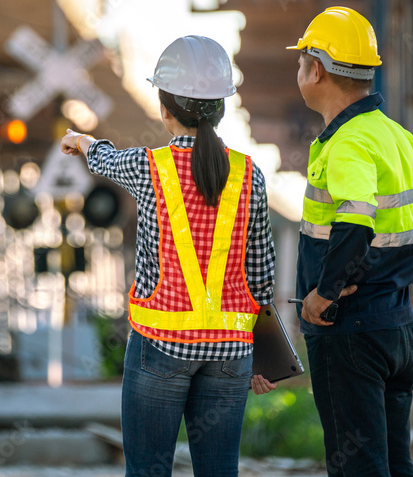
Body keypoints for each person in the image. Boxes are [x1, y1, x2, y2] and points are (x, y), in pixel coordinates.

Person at [61, 35, 277, 477]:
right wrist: (264, 354)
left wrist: (81, 141)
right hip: (229, 352)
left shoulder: (148, 166)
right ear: (219, 108)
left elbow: (105, 160)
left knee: (148, 472)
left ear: (165, 108)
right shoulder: (249, 174)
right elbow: (261, 279)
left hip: (160, 348)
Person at [283, 6, 413, 476]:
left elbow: (355, 222)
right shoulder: (395, 136)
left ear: (316, 69)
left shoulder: (348, 143)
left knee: (357, 467)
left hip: (349, 334)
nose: (300, 69)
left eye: (301, 61)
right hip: (396, 329)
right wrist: (391, 276)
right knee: (395, 465)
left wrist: (325, 294)